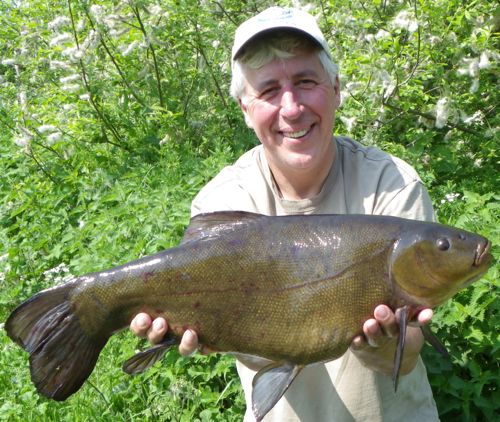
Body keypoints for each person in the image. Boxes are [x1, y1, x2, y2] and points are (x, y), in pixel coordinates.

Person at [130, 7, 439, 421]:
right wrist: (198, 329)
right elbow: (255, 351)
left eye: (306, 82)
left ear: (336, 89)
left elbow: (406, 352)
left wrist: (383, 345)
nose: (291, 108)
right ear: (245, 108)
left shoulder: (392, 184)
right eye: (269, 90)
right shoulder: (224, 199)